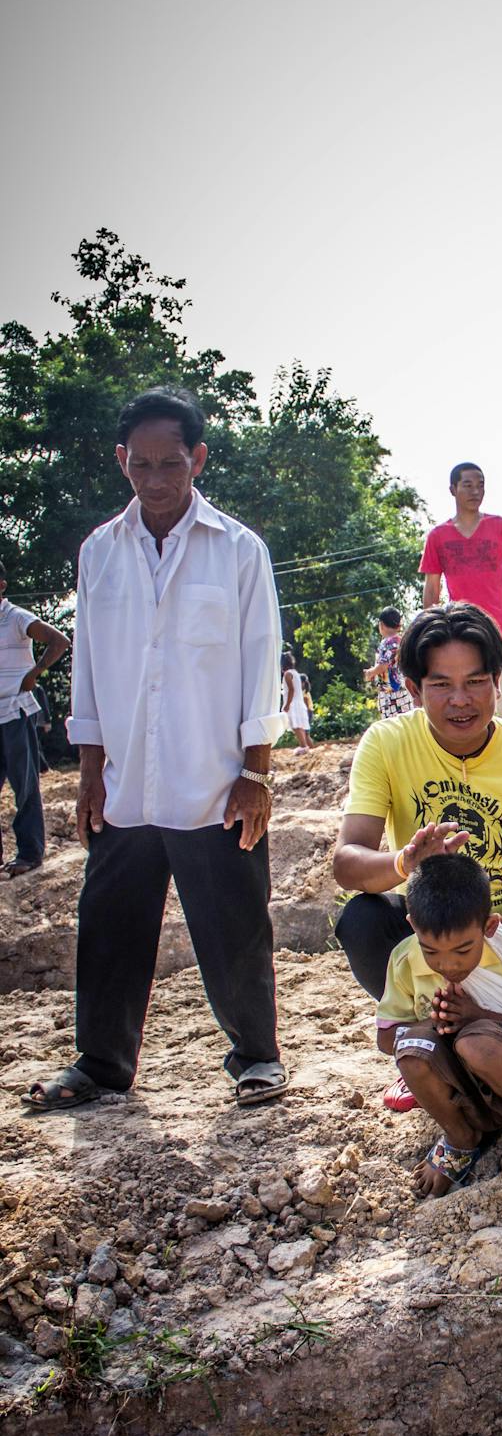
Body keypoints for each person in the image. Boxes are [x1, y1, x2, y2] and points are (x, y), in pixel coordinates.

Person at [23, 387, 289, 1111]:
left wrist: (255, 774)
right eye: (140, 464)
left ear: (197, 458)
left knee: (233, 924)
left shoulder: (238, 550)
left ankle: (256, 1057)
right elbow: (91, 674)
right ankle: (101, 1064)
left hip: (214, 780)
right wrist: (89, 775)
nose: (155, 479)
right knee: (109, 922)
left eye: (170, 463)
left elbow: (259, 662)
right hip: (126, 781)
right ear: (121, 462)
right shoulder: (99, 554)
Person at [332, 601, 502, 1022]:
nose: (461, 701)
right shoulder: (385, 744)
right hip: (429, 933)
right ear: (413, 690)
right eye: (441, 685)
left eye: (475, 681)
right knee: (361, 920)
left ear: (498, 682)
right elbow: (347, 864)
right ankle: (424, 1027)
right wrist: (405, 862)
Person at [376, 852, 502, 1194]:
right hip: (459, 1089)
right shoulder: (404, 959)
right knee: (412, 1050)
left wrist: (477, 1016)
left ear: (489, 927)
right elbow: (387, 1038)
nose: (447, 965)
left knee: (474, 1043)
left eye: (462, 951)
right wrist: (434, 1023)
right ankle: (461, 1136)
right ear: (413, 925)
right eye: (431, 952)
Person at [420, 463, 502, 722]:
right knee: (471, 710)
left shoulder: (500, 527)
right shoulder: (438, 536)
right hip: (461, 637)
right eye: (468, 485)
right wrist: (431, 626)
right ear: (453, 489)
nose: (475, 491)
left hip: (500, 633)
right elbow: (432, 587)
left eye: (480, 485)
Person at [0, 561, 69, 880]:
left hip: (16, 713)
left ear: (2, 585)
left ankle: (30, 853)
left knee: (24, 785)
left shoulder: (15, 617)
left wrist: (35, 673)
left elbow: (59, 641)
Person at [363, 606, 416, 719]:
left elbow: (384, 665)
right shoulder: (402, 641)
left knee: (391, 725)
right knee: (406, 721)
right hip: (404, 690)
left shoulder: (386, 642)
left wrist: (370, 673)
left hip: (389, 693)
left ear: (381, 624)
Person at [281, 650, 314, 749]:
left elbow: (291, 690)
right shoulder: (295, 673)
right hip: (298, 703)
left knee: (296, 725)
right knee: (300, 725)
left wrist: (287, 705)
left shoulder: (287, 674)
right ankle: (304, 745)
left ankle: (303, 746)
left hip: (293, 703)